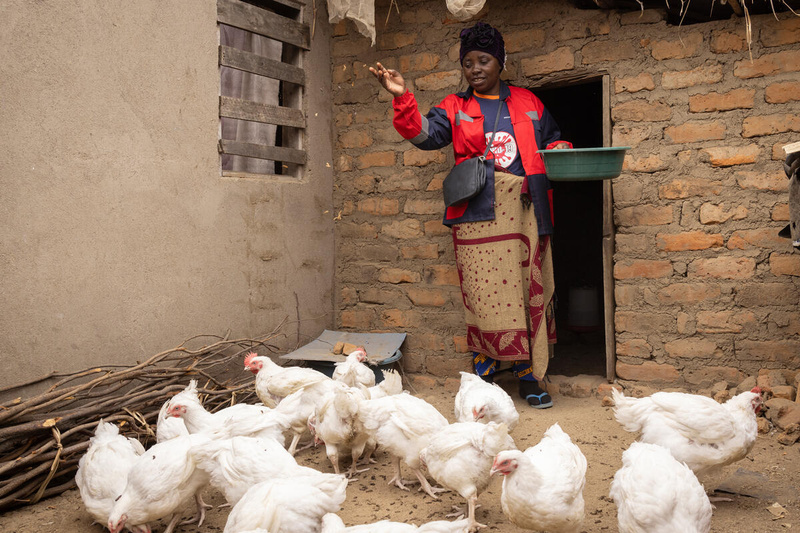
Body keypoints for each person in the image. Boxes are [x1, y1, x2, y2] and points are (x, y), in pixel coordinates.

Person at [369, 21, 571, 408]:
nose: (475, 69)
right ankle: (486, 372)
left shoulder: (530, 103)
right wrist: (402, 98)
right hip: (477, 218)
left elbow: (553, 140)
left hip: (527, 213)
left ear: (501, 62)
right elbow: (426, 136)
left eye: (484, 60)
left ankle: (529, 374)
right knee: (484, 296)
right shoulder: (455, 107)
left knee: (527, 292)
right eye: (468, 63)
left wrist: (562, 149)